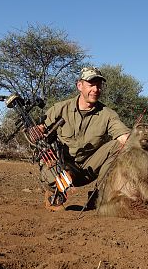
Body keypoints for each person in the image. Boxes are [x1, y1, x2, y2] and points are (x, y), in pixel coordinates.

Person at [41, 67, 130, 211]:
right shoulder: (60, 109)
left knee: (119, 146)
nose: (96, 89)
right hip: (61, 167)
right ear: (79, 86)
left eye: (98, 85)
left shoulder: (108, 114)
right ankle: (54, 195)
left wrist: (138, 144)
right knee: (52, 166)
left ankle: (100, 195)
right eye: (91, 84)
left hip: (87, 170)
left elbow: (123, 137)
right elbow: (39, 134)